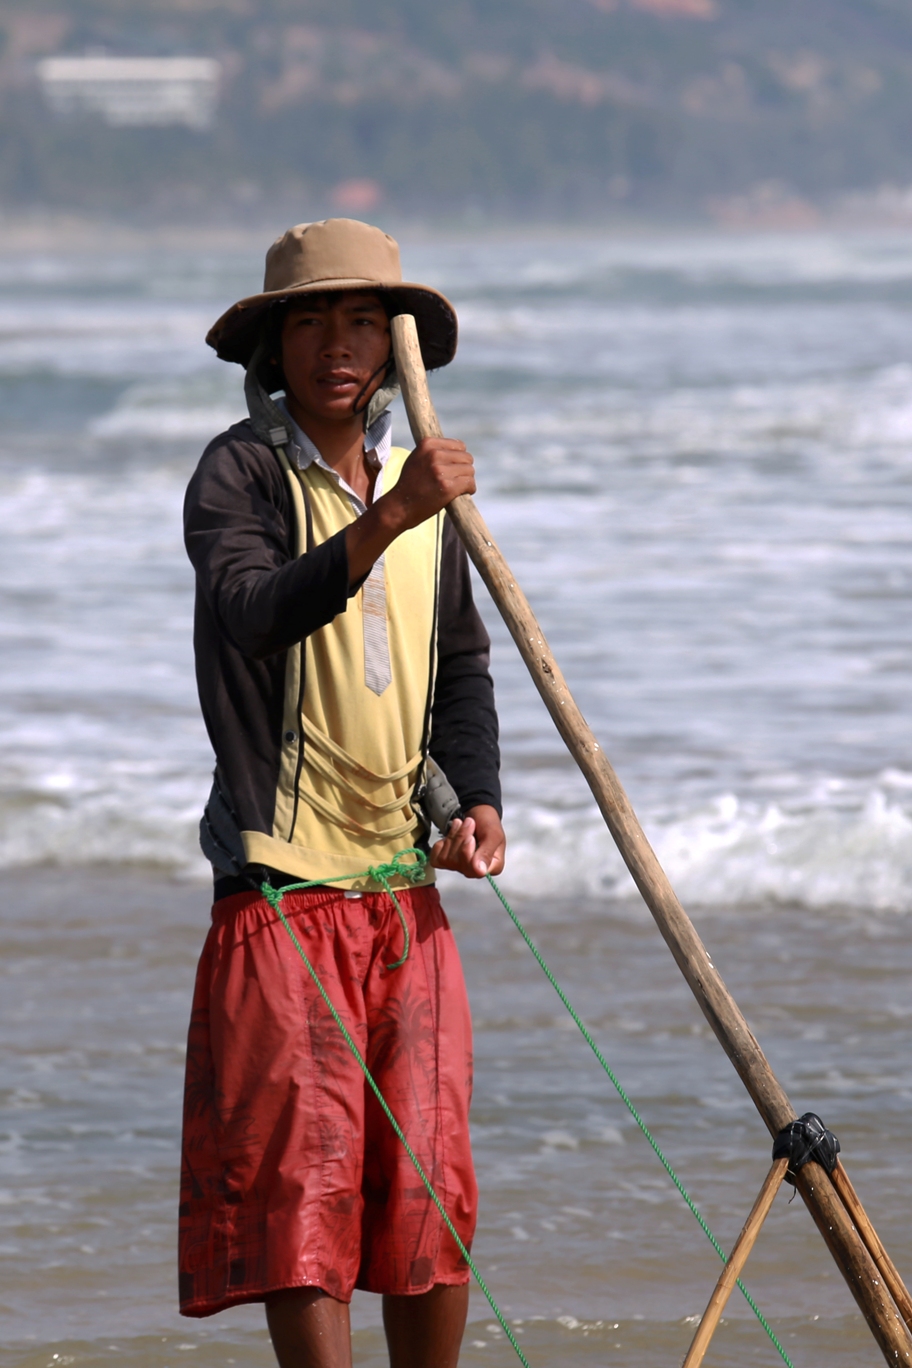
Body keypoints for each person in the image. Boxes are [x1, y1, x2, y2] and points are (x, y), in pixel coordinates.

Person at [178, 217, 505, 1368]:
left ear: (392, 347)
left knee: (428, 1190)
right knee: (301, 1197)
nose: (337, 345)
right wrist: (394, 513)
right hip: (281, 892)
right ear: (273, 347)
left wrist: (476, 803)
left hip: (402, 892)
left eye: (363, 322)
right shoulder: (240, 473)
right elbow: (254, 612)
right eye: (311, 322)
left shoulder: (417, 492)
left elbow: (460, 665)